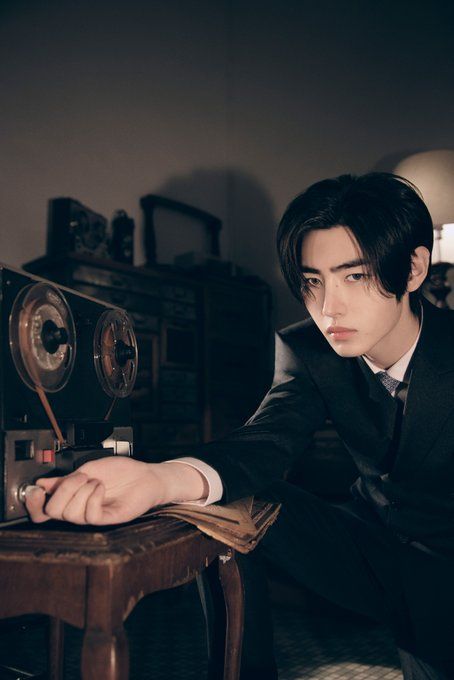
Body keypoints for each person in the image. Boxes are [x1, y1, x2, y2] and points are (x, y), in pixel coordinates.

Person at [26, 172, 454, 679]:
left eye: (354, 276)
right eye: (313, 281)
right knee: (227, 498)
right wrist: (159, 478)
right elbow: (265, 442)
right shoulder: (308, 348)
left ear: (412, 268)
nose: (327, 307)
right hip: (369, 552)